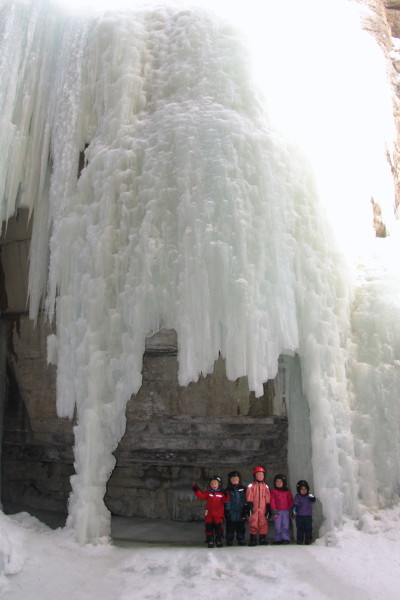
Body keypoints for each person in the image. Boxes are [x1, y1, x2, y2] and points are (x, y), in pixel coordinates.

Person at [192, 475, 229, 548]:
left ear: (219, 484)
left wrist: (226, 493)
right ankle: (210, 540)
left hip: (218, 514)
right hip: (209, 514)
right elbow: (202, 496)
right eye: (212, 484)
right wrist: (197, 490)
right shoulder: (209, 493)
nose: (214, 485)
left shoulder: (221, 494)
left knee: (218, 528)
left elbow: (226, 500)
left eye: (215, 483)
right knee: (209, 528)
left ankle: (219, 540)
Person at [246, 466, 271, 546]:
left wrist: (268, 505)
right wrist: (249, 503)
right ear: (255, 475)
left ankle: (262, 538)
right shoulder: (251, 485)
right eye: (258, 474)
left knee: (263, 523)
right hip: (254, 508)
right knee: (253, 522)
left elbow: (268, 496)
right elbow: (249, 494)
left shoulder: (265, 486)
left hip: (263, 508)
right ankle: (253, 539)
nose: (260, 476)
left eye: (262, 475)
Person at [225, 470, 247, 546]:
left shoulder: (242, 489)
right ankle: (229, 539)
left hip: (240, 511)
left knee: (240, 526)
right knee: (230, 526)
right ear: (229, 480)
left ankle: (241, 538)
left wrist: (245, 508)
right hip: (231, 511)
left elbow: (244, 499)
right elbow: (227, 501)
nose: (235, 481)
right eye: (233, 480)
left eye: (237, 480)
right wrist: (227, 510)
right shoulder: (228, 490)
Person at [270, 473, 294, 545]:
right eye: (277, 481)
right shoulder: (274, 491)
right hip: (277, 511)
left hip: (286, 511)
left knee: (285, 525)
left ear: (284, 483)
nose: (278, 483)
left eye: (280, 482)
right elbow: (272, 500)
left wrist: (292, 508)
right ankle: (278, 539)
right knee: (277, 525)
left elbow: (290, 500)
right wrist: (273, 508)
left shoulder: (287, 491)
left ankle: (286, 538)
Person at [293, 479, 316, 545]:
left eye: (305, 489)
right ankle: (300, 539)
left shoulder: (309, 495)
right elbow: (295, 505)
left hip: (308, 515)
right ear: (299, 490)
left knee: (308, 527)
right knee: (300, 528)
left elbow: (314, 499)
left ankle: (308, 538)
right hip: (300, 516)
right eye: (302, 489)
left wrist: (311, 496)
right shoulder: (298, 496)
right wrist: (294, 513)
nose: (304, 490)